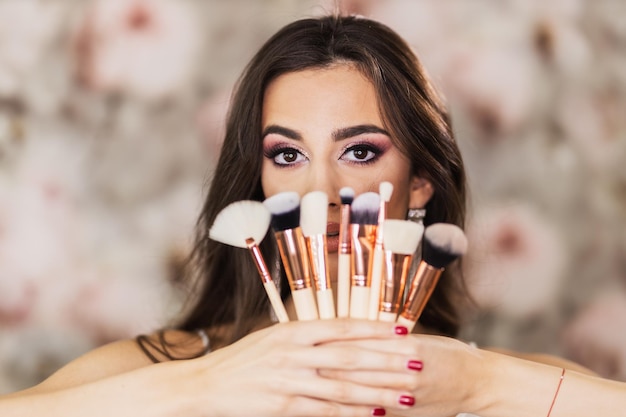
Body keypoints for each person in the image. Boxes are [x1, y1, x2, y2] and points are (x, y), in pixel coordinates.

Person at [2, 13, 626, 417]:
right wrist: (205, 387)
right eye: (288, 154)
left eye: (359, 151)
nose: (320, 191)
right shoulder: (166, 369)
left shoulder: (499, 386)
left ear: (421, 186)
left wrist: (481, 387)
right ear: (258, 177)